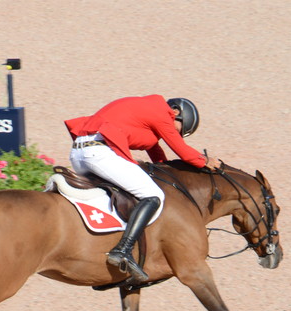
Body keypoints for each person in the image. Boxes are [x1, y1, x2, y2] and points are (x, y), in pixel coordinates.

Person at [64, 94, 221, 282]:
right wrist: (205, 161)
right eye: (181, 129)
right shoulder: (162, 113)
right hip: (99, 153)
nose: (178, 133)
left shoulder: (147, 112)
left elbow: (158, 156)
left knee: (122, 196)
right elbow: (181, 149)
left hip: (79, 152)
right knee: (153, 195)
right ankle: (123, 249)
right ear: (177, 112)